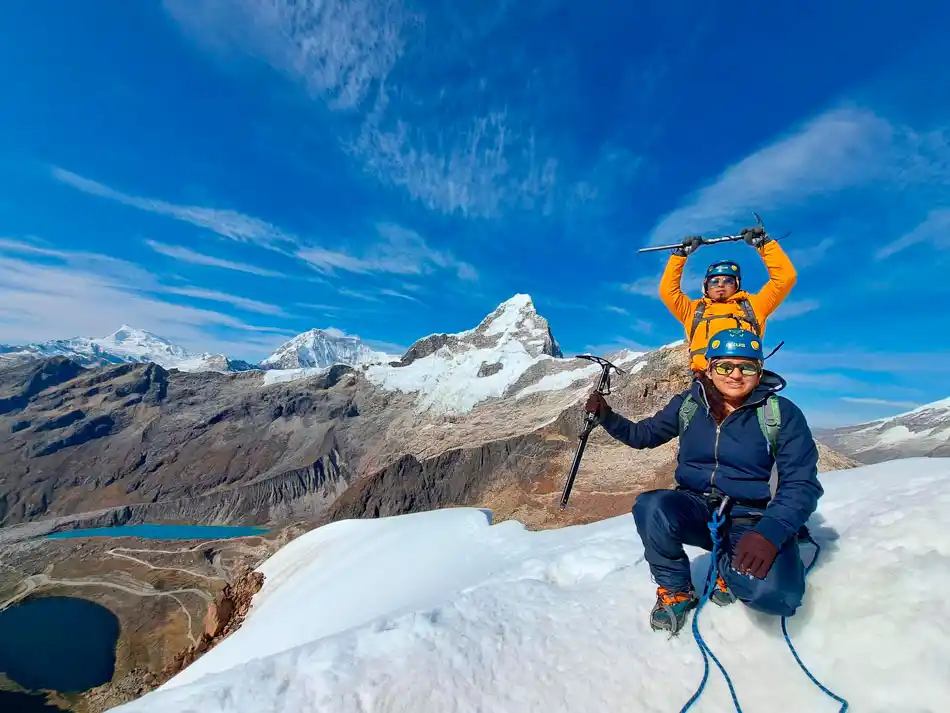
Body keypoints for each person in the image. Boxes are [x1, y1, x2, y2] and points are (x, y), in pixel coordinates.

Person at [584, 328, 823, 634]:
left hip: (752, 520)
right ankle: (676, 590)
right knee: (652, 507)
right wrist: (607, 416)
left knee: (777, 597)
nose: (735, 375)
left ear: (760, 369)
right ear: (709, 369)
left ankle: (728, 564)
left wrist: (772, 531)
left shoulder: (781, 414)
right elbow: (644, 435)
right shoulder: (690, 404)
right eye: (725, 366)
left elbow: (801, 483)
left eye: (746, 367)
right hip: (698, 508)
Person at [660, 225, 797, 373]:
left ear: (737, 285)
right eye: (714, 281)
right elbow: (668, 291)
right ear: (705, 286)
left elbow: (785, 278)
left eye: (728, 281)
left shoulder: (754, 306)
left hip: (745, 377)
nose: (720, 285)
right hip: (705, 378)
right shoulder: (692, 310)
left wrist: (764, 244)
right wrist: (680, 256)